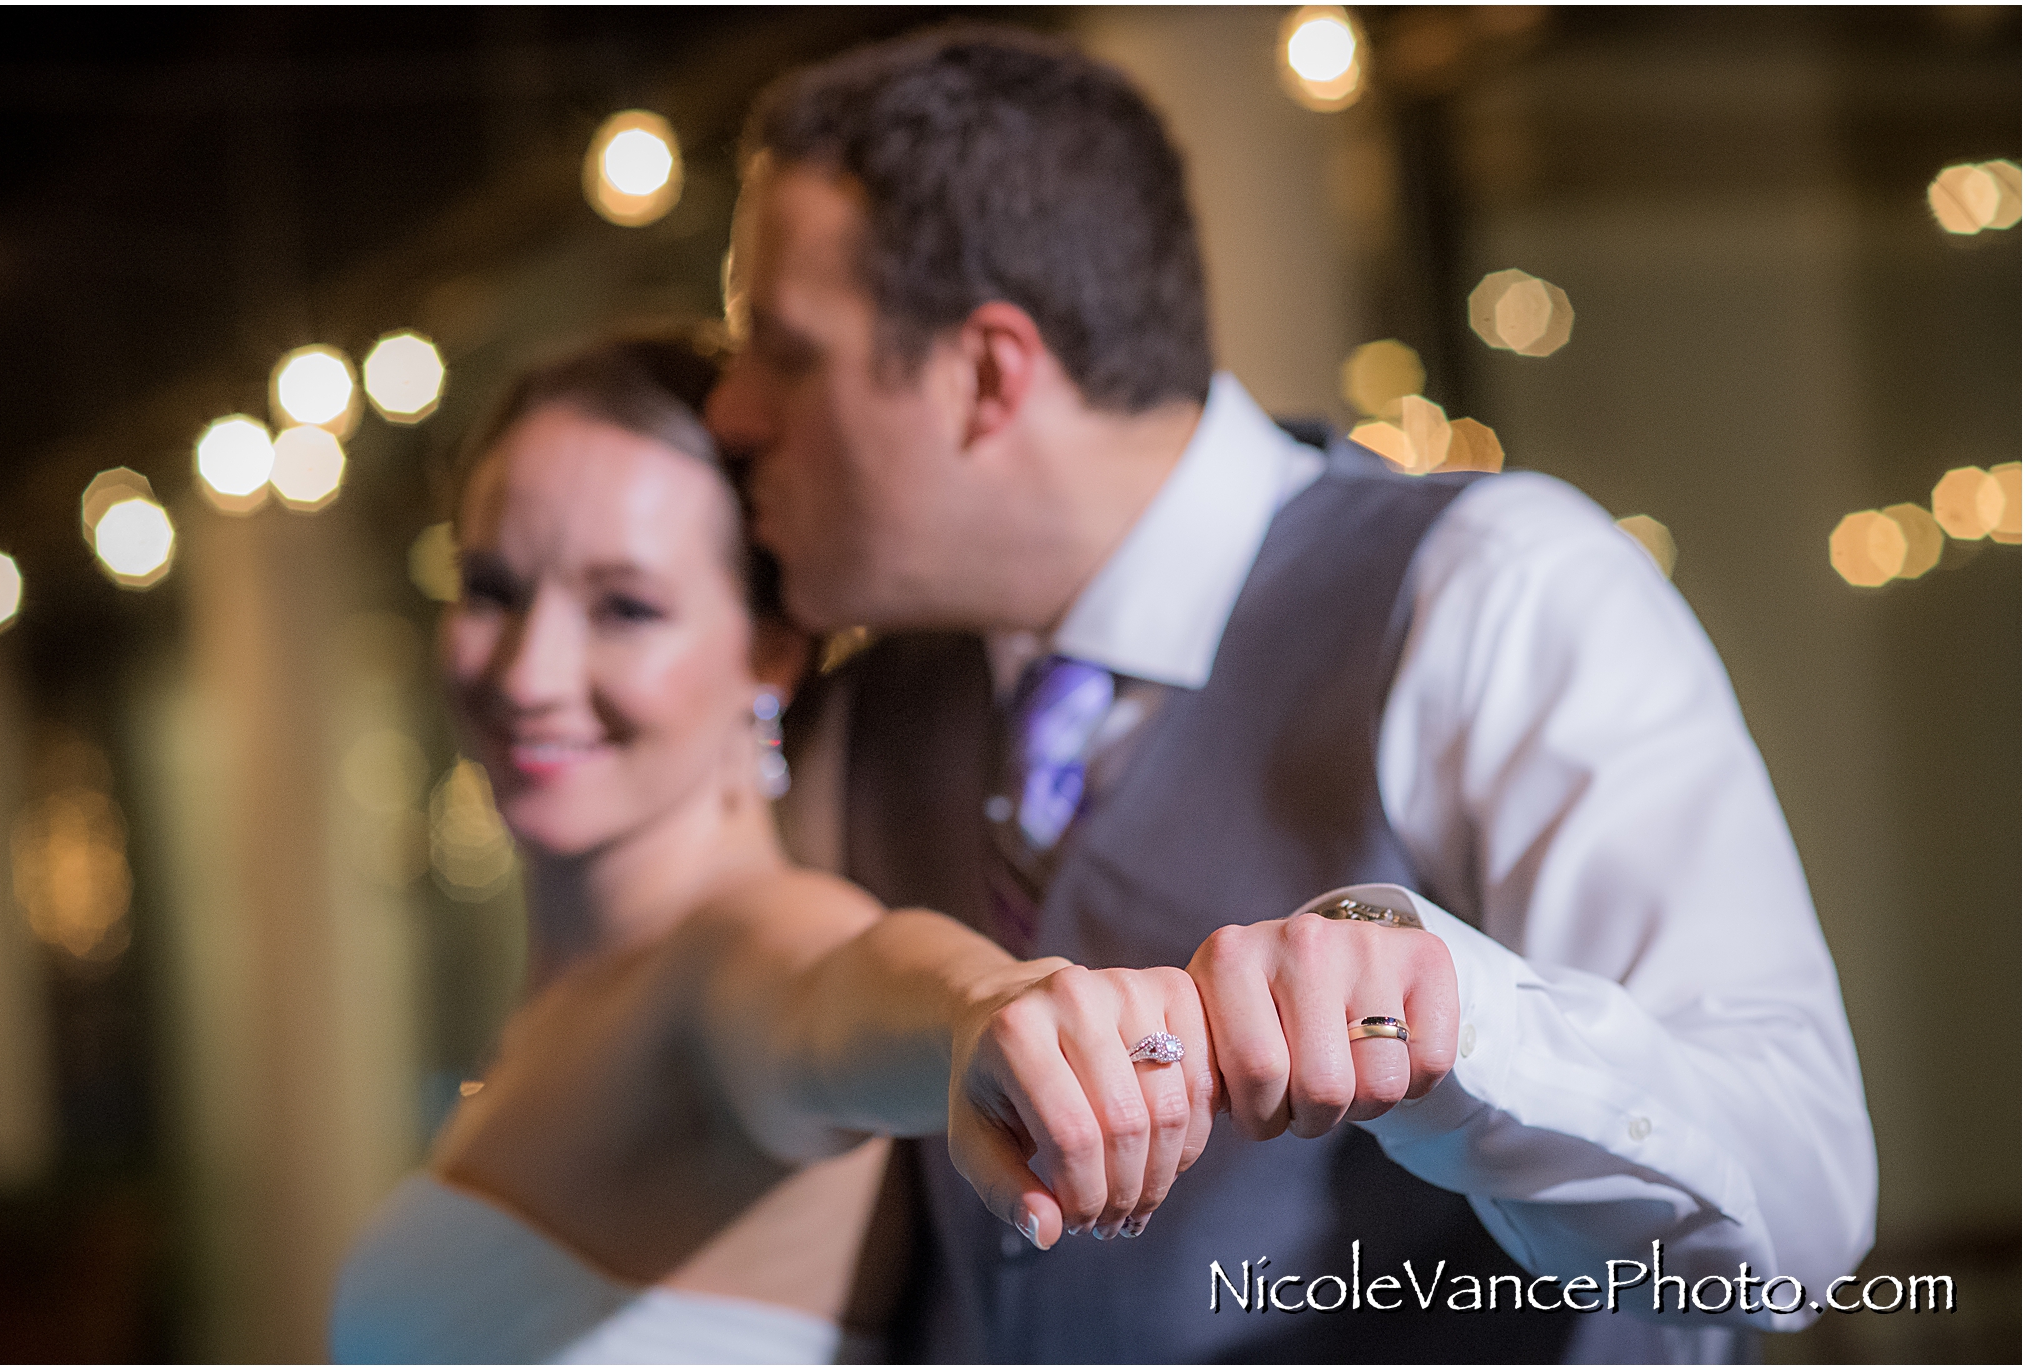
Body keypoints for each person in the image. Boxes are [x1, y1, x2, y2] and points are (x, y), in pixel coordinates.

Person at [699, 27, 1878, 1363]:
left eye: (781, 352)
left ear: (987, 373)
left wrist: (1454, 1022)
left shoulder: (1494, 588)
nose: (732, 413)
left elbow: (1801, 1207)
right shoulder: (855, 717)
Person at [329, 335, 1217, 1362]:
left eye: (624, 607)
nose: (529, 673)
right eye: (490, 587)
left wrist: (977, 1007)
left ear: (770, 650)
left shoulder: (742, 940)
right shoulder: (579, 980)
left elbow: (831, 987)